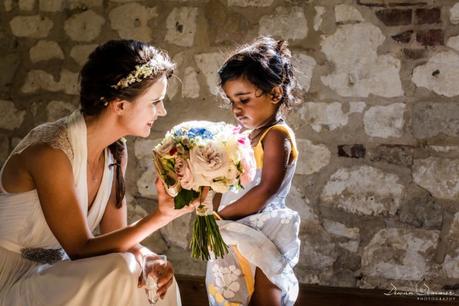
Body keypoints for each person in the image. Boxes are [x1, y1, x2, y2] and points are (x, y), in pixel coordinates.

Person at [0, 39, 197, 306]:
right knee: (120, 272)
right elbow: (80, 249)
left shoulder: (116, 151)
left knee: (151, 272)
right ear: (119, 105)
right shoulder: (50, 153)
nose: (162, 111)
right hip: (9, 278)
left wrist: (145, 254)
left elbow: (114, 238)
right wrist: (161, 216)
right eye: (155, 102)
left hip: (55, 274)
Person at [205, 37, 301, 306]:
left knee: (264, 290)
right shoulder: (246, 137)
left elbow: (266, 189)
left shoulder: (276, 135)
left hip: (264, 225)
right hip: (236, 224)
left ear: (275, 93)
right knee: (235, 287)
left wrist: (219, 217)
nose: (236, 108)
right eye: (231, 101)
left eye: (244, 99)